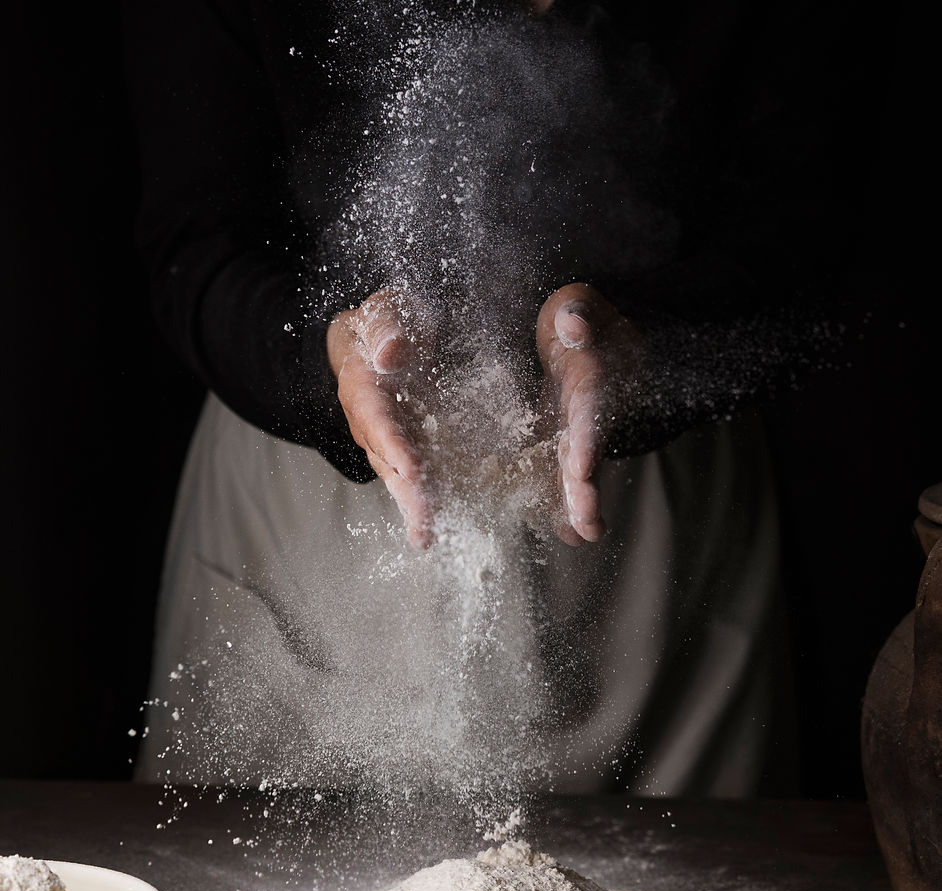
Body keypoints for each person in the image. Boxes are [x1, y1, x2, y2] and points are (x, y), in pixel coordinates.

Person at [125, 0, 874, 798]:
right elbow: (196, 243)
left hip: (650, 515)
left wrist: (646, 343)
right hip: (305, 489)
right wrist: (323, 362)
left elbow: (811, 235)